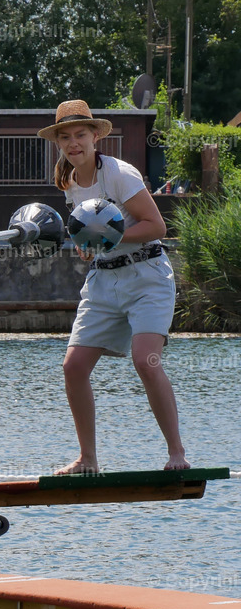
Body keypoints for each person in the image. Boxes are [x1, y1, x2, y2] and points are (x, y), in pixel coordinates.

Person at [38, 100, 189, 475]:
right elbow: (91, 236)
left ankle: (177, 454)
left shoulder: (121, 174)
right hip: (103, 280)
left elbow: (156, 226)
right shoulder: (69, 182)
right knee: (73, 367)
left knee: (146, 361)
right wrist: (88, 247)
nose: (74, 143)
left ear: (95, 137)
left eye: (80, 134)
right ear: (58, 143)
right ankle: (87, 459)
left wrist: (108, 237)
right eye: (65, 137)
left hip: (147, 276)